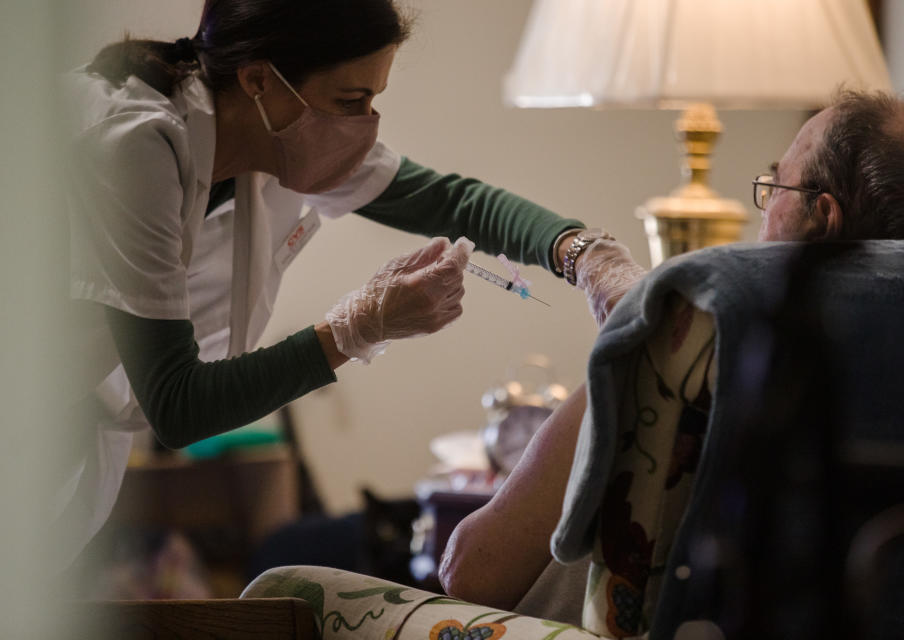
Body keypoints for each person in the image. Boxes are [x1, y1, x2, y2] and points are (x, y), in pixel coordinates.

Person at [56, 0, 606, 570]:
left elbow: (452, 200)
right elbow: (179, 407)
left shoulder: (271, 137)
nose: (365, 125)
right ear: (259, 81)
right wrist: (359, 327)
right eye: (351, 101)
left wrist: (586, 253)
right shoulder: (135, 144)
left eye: (373, 101)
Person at [438, 90, 904, 623]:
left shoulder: (699, 331)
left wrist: (634, 334)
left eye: (774, 185)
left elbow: (473, 573)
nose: (762, 204)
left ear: (821, 218)